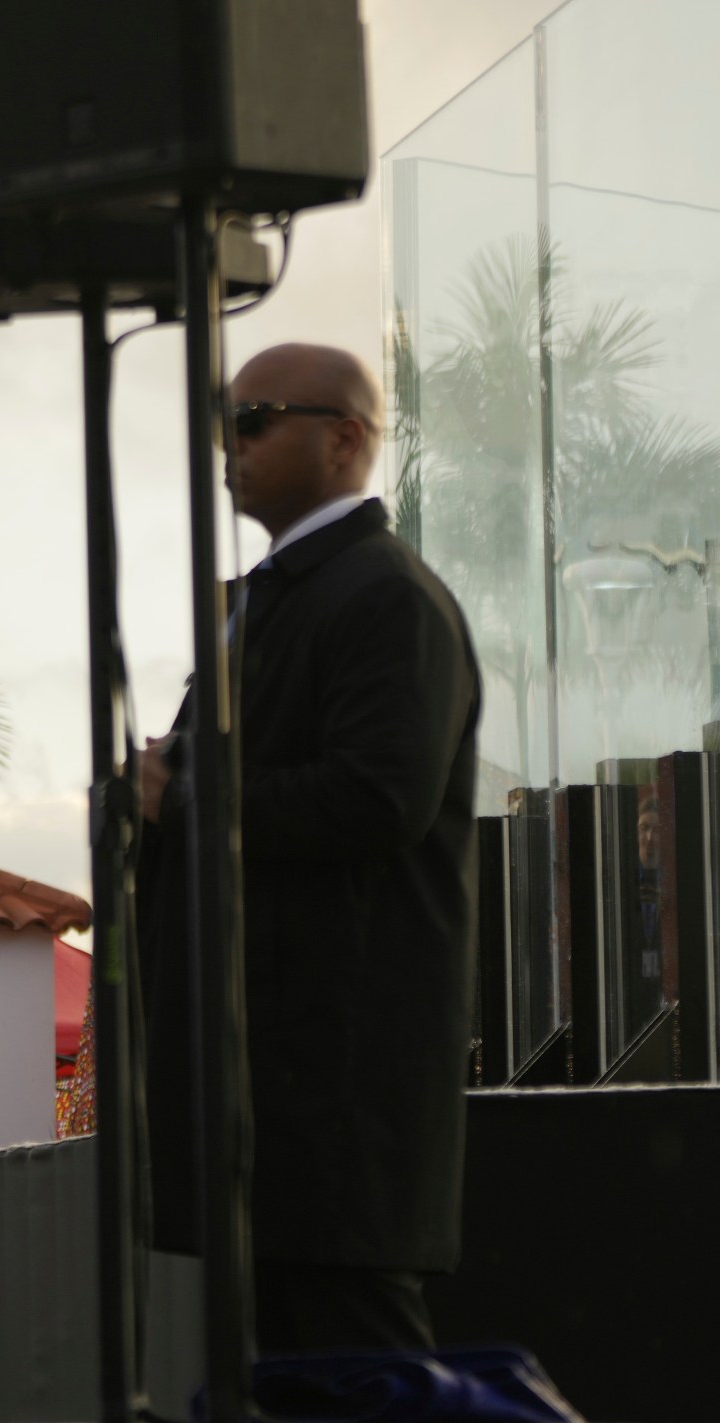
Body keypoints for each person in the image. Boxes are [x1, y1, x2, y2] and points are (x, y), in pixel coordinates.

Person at [138, 342, 482, 1354]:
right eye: (221, 423)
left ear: (345, 439)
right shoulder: (267, 602)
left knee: (358, 1380)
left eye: (253, 419)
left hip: (331, 1091)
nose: (228, 446)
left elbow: (379, 797)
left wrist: (185, 796)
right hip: (264, 1089)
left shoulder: (384, 596)